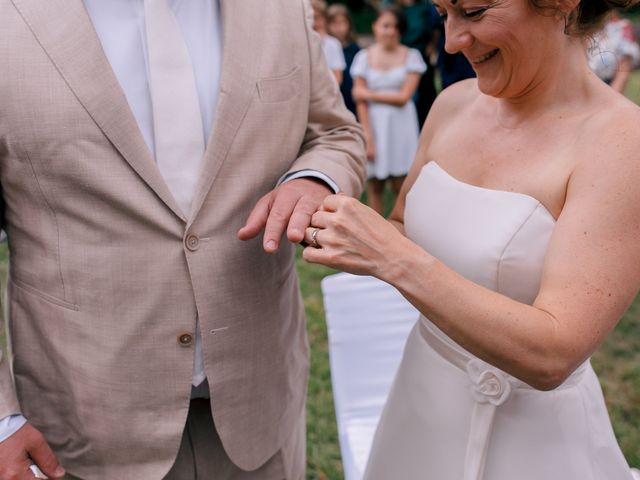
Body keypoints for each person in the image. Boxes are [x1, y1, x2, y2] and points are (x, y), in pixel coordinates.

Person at [0, 0, 365, 479]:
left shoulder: (278, 8)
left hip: (259, 414)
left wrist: (314, 179)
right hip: (79, 430)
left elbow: (335, 132)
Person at [304, 0, 640, 476]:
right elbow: (401, 225)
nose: (452, 41)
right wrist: (332, 222)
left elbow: (554, 351)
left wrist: (394, 259)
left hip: (532, 442)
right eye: (444, 13)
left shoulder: (623, 143)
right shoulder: (452, 103)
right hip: (422, 403)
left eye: (474, 11)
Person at [350, 6, 426, 215]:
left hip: (402, 124)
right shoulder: (363, 58)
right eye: (385, 25)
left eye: (395, 26)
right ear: (375, 27)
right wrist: (368, 137)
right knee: (375, 183)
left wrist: (366, 93)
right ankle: (377, 227)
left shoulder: (412, 56)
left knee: (400, 183)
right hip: (374, 124)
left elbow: (403, 97)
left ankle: (402, 226)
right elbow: (360, 102)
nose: (390, 31)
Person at [395, 0, 442, 126]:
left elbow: (435, 28)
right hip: (401, 57)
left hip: (422, 55)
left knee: (425, 97)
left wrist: (432, 46)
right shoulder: (394, 7)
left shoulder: (425, 7)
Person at [588, 10, 640, 93]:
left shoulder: (622, 28)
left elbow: (622, 75)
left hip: (606, 91)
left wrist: (607, 102)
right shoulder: (575, 27)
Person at [327, 3, 361, 117]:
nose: (339, 28)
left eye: (343, 22)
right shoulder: (324, 48)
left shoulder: (355, 50)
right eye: (335, 23)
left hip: (351, 100)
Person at [312, 0, 347, 85]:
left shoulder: (333, 44)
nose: (314, 22)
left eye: (317, 17)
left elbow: (337, 77)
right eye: (311, 17)